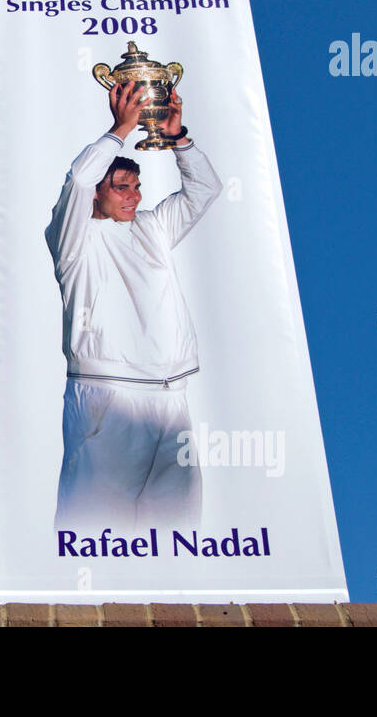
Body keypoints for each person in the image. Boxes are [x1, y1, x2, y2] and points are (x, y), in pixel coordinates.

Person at [45, 81, 222, 533]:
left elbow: (205, 190)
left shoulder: (154, 227)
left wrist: (178, 139)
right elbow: (80, 179)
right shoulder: (73, 239)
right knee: (94, 532)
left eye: (137, 186)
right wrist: (121, 128)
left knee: (175, 537)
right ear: (98, 195)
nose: (134, 195)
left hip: (170, 395)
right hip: (108, 396)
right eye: (122, 187)